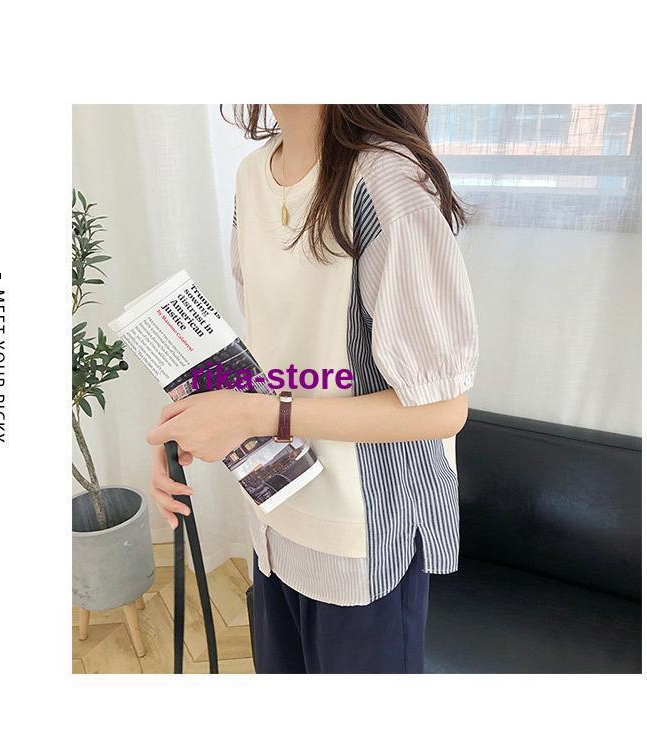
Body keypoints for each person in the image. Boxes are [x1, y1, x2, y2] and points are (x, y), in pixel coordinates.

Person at [147, 104, 479, 674]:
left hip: (363, 543)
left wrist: (258, 415)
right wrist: (190, 418)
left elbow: (442, 409)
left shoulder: (386, 183)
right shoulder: (252, 175)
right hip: (274, 517)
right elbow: (273, 360)